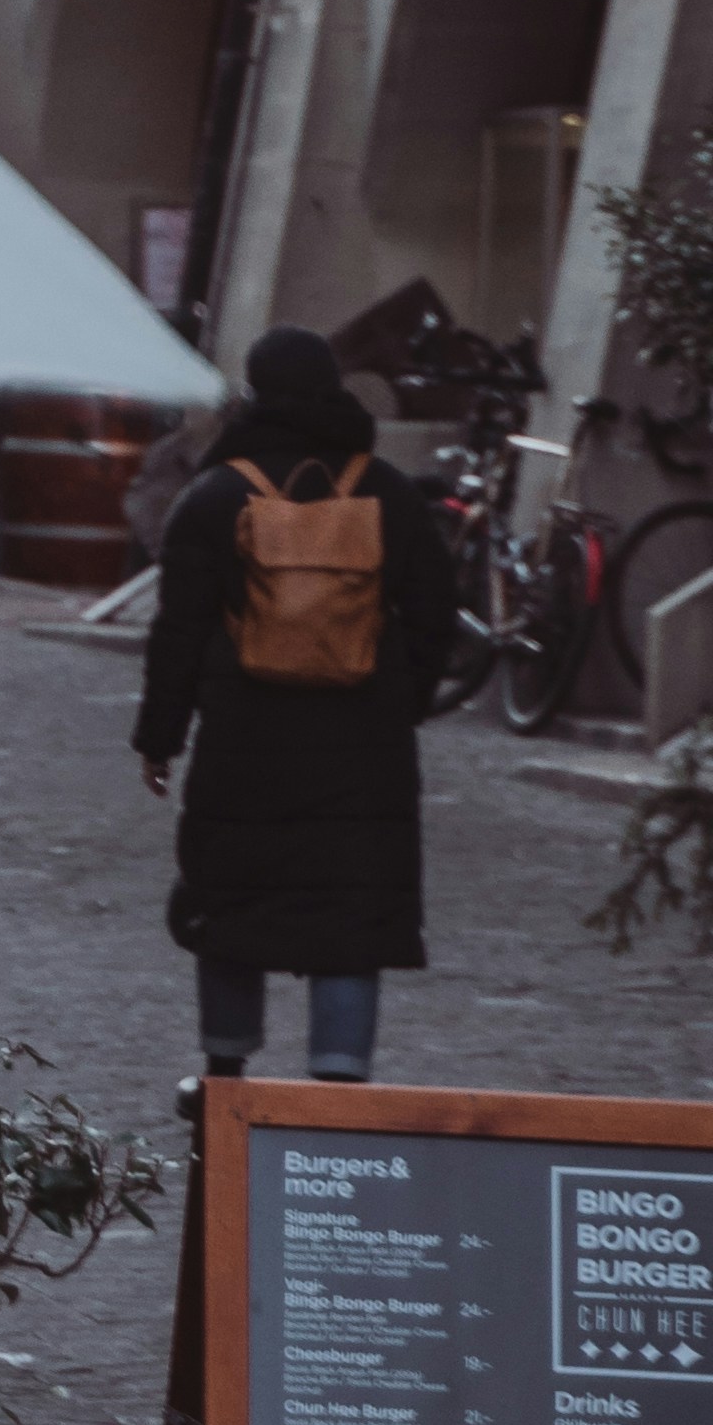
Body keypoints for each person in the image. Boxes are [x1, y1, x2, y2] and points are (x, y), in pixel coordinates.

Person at [135, 321, 465, 1080]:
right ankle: (339, 1088)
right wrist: (397, 697)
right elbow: (436, 613)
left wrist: (160, 738)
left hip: (241, 742)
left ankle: (224, 1079)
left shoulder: (213, 496)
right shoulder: (387, 494)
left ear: (252, 395)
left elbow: (177, 635)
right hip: (364, 748)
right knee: (352, 917)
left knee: (232, 908)